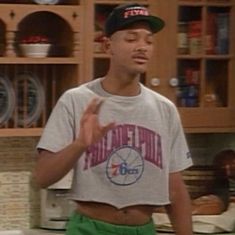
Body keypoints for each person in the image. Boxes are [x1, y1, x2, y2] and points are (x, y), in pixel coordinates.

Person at [35, 3, 193, 235]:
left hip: (142, 229)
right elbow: (42, 177)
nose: (142, 47)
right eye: (131, 39)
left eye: (148, 41)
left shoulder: (164, 109)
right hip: (89, 229)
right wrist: (80, 144)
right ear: (108, 45)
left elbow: (175, 190)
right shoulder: (76, 101)